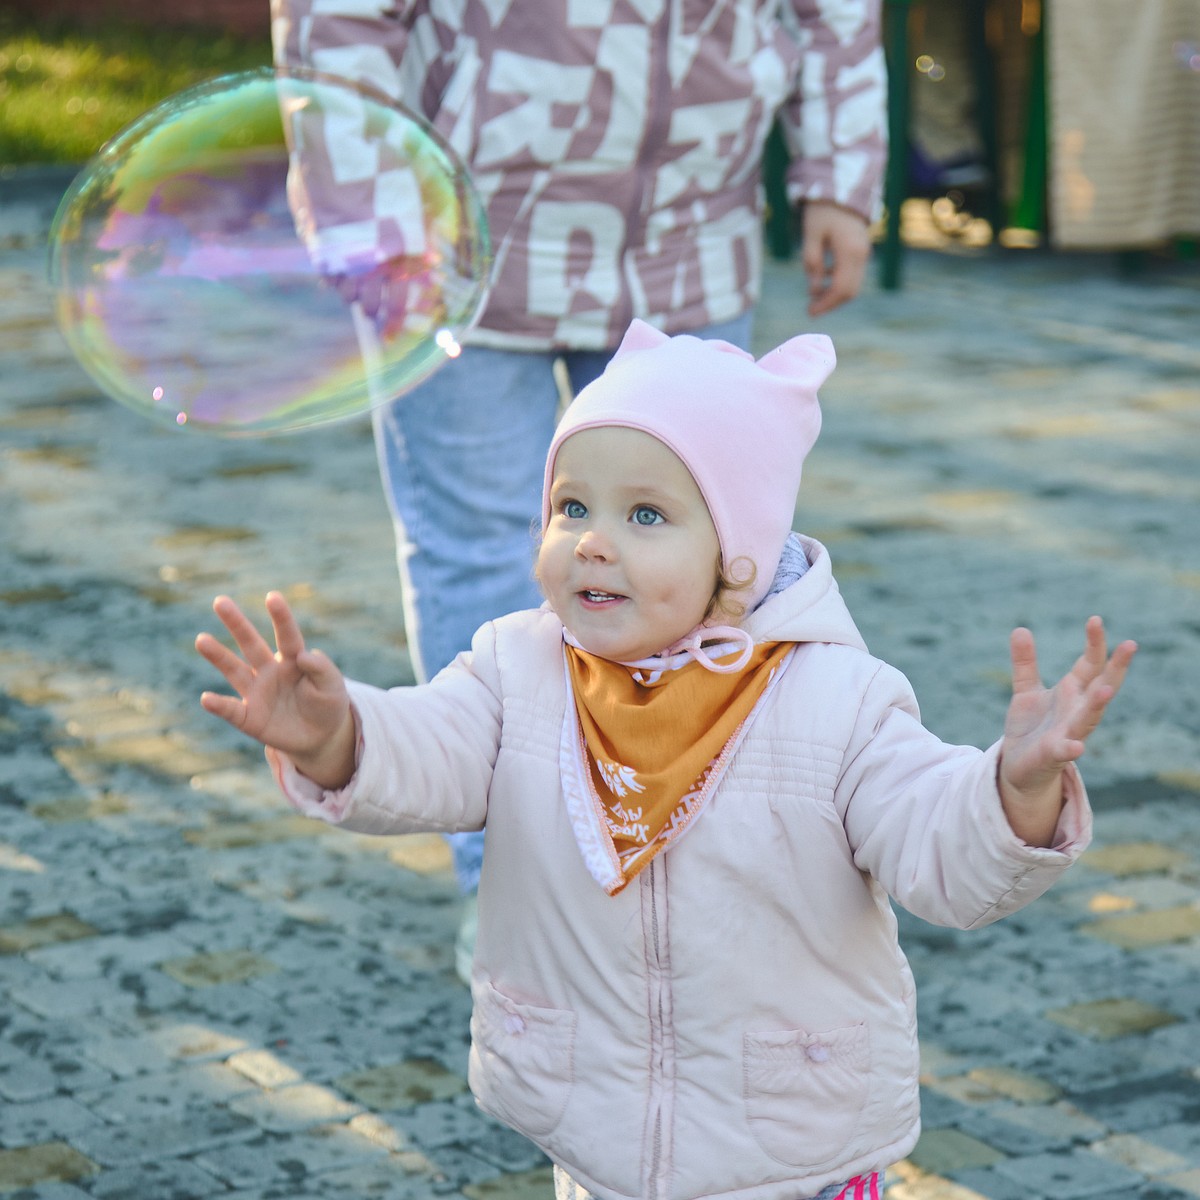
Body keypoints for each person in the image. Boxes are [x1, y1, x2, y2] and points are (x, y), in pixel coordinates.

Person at [196, 320, 1135, 1200]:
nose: (593, 540)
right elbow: (427, 750)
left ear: (738, 560)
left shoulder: (835, 699)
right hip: (596, 1138)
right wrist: (335, 736)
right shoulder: (516, 669)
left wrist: (1015, 787)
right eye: (571, 506)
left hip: (793, 1151)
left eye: (647, 516)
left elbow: (937, 850)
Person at [270, 0, 889, 928]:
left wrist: (841, 173)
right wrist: (370, 212)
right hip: (452, 241)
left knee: (699, 566)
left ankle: (678, 856)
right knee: (480, 557)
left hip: (691, 233)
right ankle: (508, 880)